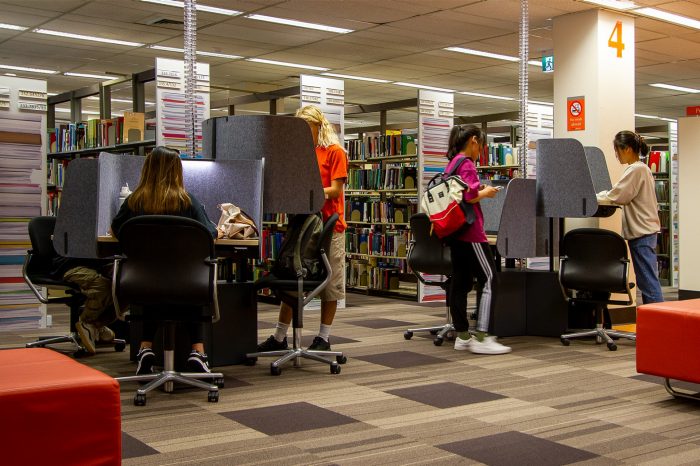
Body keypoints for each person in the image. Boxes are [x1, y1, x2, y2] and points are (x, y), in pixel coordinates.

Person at [111, 146, 218, 375]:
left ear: (147, 169)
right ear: (177, 171)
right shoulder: (187, 202)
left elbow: (116, 231)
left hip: (142, 281)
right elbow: (209, 234)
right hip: (187, 282)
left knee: (155, 282)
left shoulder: (133, 202)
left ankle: (145, 349)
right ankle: (197, 351)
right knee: (190, 279)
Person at [257, 105, 347, 352]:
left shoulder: (335, 151)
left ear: (318, 125)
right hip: (303, 224)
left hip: (330, 227)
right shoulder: (300, 153)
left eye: (306, 127)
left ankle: (323, 338)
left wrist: (306, 193)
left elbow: (336, 190)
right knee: (293, 277)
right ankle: (278, 336)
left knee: (330, 283)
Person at [445, 125, 511, 355]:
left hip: (455, 233)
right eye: (481, 145)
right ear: (473, 141)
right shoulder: (467, 164)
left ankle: (462, 335)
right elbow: (470, 196)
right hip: (471, 232)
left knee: (460, 282)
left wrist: (477, 188)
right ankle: (483, 336)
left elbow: (461, 192)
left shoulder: (452, 163)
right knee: (491, 279)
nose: (481, 150)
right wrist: (486, 192)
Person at [596, 131, 664, 304]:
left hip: (642, 233)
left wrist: (593, 197)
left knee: (648, 282)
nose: (616, 155)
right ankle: (658, 321)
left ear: (627, 149)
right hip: (645, 232)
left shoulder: (636, 169)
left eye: (617, 150)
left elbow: (618, 195)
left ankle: (659, 322)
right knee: (647, 279)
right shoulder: (642, 168)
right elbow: (618, 193)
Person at [49, 256, 117, 355]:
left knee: (126, 285)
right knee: (103, 286)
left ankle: (96, 324)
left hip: (95, 264)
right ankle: (87, 322)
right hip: (69, 266)